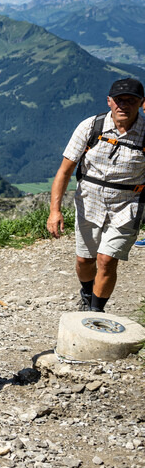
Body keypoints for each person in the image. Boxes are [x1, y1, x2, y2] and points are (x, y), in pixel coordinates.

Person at [47, 77, 145, 312]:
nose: (124, 105)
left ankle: (95, 311)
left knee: (107, 260)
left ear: (141, 103)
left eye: (131, 100)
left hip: (128, 205)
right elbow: (65, 171)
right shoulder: (91, 127)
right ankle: (87, 292)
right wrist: (54, 211)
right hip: (89, 202)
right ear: (109, 101)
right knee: (85, 260)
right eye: (119, 100)